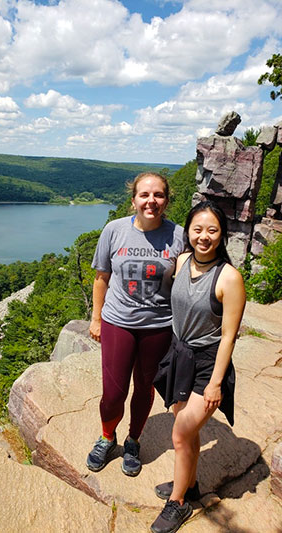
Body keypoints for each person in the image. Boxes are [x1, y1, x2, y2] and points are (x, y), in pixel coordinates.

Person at [151, 200, 246, 533]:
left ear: (221, 235)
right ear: (188, 231)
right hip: (180, 356)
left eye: (212, 230)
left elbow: (228, 338)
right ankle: (188, 485)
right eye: (197, 229)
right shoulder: (180, 261)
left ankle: (178, 505)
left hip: (207, 365)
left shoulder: (229, 278)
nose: (203, 236)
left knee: (180, 433)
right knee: (186, 429)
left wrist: (216, 383)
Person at [86, 172, 184, 476]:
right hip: (118, 322)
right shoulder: (114, 231)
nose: (151, 201)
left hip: (158, 326)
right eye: (144, 195)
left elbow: (187, 281)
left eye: (158, 195)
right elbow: (101, 278)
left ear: (166, 200)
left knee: (144, 388)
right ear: (133, 201)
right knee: (113, 393)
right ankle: (107, 437)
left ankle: (133, 441)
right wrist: (96, 318)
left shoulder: (179, 236)